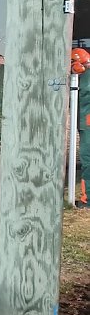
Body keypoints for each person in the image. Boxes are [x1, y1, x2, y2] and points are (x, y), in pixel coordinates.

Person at [73, 47, 90, 207]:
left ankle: (87, 200)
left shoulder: (85, 77)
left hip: (88, 124)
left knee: (88, 160)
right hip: (85, 123)